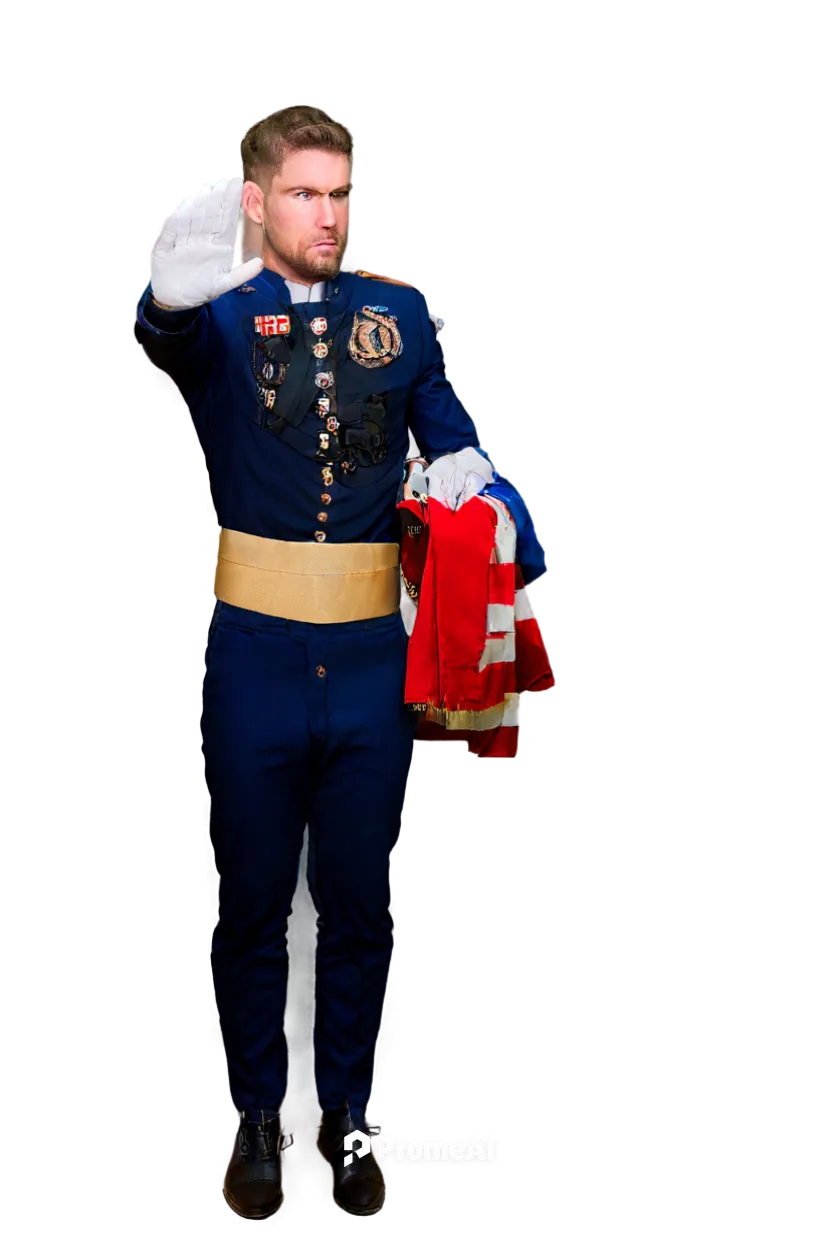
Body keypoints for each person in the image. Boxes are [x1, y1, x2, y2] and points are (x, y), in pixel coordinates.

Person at [131, 104, 545, 1221]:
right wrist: (166, 296)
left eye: (341, 191)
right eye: (306, 192)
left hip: (369, 657)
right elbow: (168, 346)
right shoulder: (220, 316)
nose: (329, 213)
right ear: (258, 199)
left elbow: (449, 431)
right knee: (252, 902)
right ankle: (257, 1117)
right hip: (256, 655)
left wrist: (469, 477)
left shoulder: (395, 315)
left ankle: (355, 1115)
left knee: (359, 904)